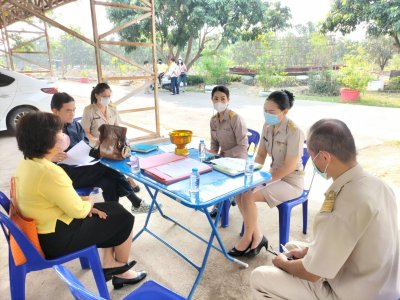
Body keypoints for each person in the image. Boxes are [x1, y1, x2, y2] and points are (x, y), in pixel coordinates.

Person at [251, 119, 399, 300]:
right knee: (292, 247)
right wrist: (306, 253)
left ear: (325, 157)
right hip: (378, 281)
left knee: (259, 277)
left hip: (354, 293)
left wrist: (283, 264)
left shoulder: (345, 201)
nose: (312, 161)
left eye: (311, 155)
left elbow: (312, 273)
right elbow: (347, 241)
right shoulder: (378, 185)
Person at [14, 111, 147, 289]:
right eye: (59, 133)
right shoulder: (49, 172)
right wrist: (88, 201)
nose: (63, 136)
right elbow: (78, 210)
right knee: (124, 218)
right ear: (46, 139)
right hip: (56, 239)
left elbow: (64, 203)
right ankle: (121, 270)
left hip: (47, 227)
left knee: (111, 209)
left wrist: (84, 204)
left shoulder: (28, 163)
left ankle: (109, 263)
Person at [51, 92, 154, 214]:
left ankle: (113, 215)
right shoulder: (48, 129)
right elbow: (34, 157)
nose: (73, 114)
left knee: (109, 182)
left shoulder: (75, 125)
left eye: (74, 110)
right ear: (55, 111)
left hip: (86, 168)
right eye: (68, 110)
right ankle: (135, 202)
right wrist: (51, 158)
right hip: (67, 174)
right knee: (107, 168)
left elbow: (85, 146)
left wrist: (99, 147)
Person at [229, 90, 305, 257]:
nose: (267, 115)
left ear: (285, 112)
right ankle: (259, 236)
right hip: (273, 176)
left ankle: (248, 238)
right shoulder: (267, 126)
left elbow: (289, 167)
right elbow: (261, 155)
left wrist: (263, 182)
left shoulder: (295, 131)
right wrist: (250, 175)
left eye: (271, 112)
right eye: (265, 110)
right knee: (240, 191)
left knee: (248, 195)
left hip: (291, 182)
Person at [81, 83, 142, 195]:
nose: (107, 99)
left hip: (113, 144)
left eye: (109, 96)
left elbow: (117, 128)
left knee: (127, 156)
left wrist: (123, 142)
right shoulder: (89, 110)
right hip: (98, 147)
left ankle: (130, 182)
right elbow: (86, 132)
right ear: (96, 96)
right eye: (104, 96)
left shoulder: (113, 108)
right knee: (112, 168)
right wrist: (96, 140)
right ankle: (130, 184)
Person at [208, 85, 249, 217]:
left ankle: (223, 203)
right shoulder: (213, 120)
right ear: (212, 100)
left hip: (238, 160)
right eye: (216, 98)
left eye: (223, 98)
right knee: (207, 173)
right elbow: (214, 143)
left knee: (221, 179)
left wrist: (224, 155)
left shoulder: (235, 118)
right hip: (223, 159)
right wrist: (211, 155)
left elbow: (243, 146)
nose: (219, 102)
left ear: (228, 100)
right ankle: (221, 202)